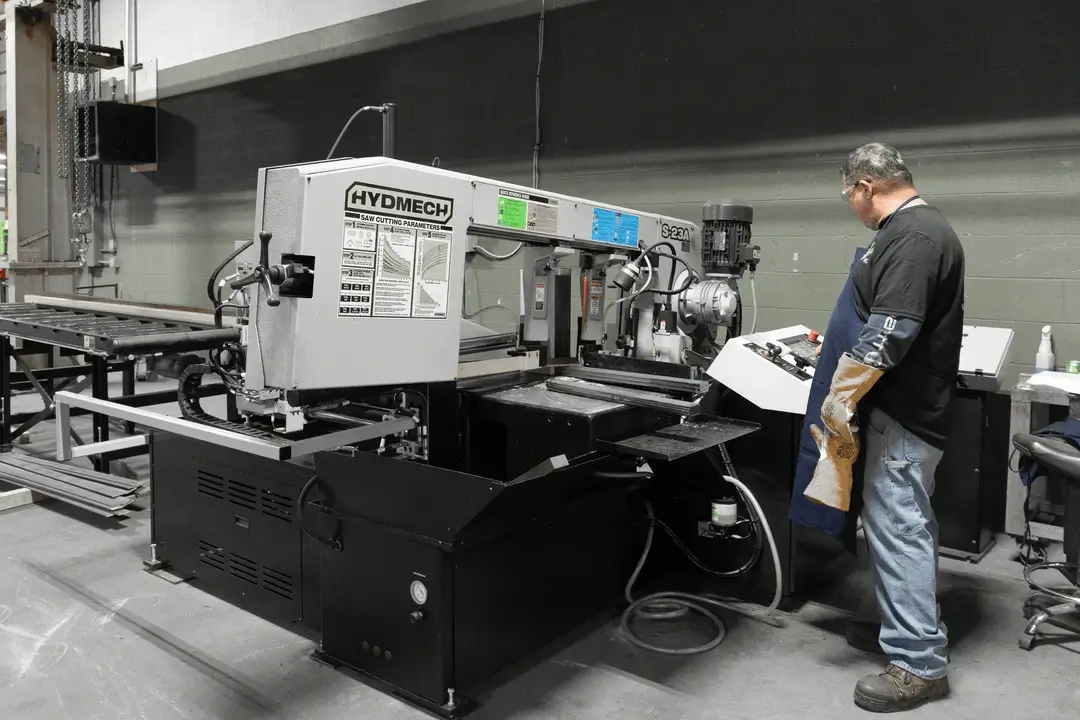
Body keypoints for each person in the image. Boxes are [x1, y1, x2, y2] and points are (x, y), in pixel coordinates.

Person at [803, 143, 966, 712]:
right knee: (897, 525)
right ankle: (904, 632)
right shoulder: (909, 232)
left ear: (865, 186)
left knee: (900, 529)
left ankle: (919, 663)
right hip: (897, 414)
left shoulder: (915, 236)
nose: (852, 205)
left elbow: (888, 333)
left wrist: (838, 402)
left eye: (849, 196)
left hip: (903, 417)